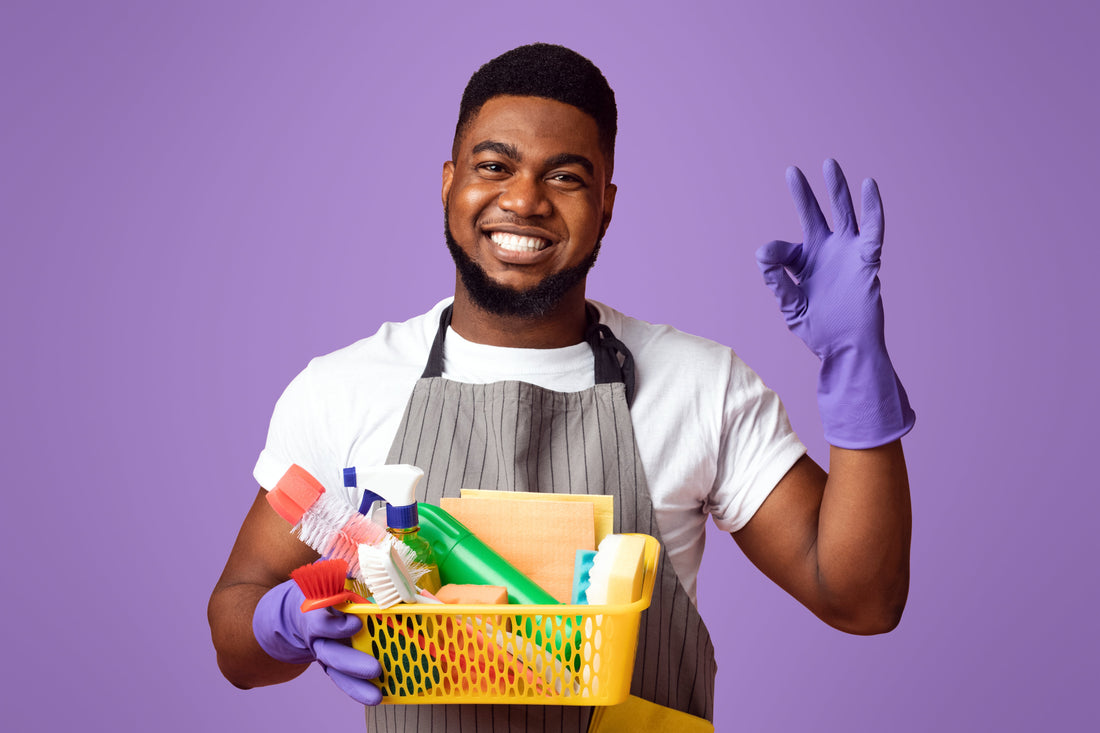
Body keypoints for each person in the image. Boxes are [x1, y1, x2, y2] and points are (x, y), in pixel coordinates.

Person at [208, 43, 914, 732]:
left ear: (606, 205)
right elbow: (237, 626)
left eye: (566, 177)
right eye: (494, 165)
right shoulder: (344, 388)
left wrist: (856, 365)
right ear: (450, 180)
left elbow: (861, 600)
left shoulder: (700, 384)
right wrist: (281, 625)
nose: (524, 198)